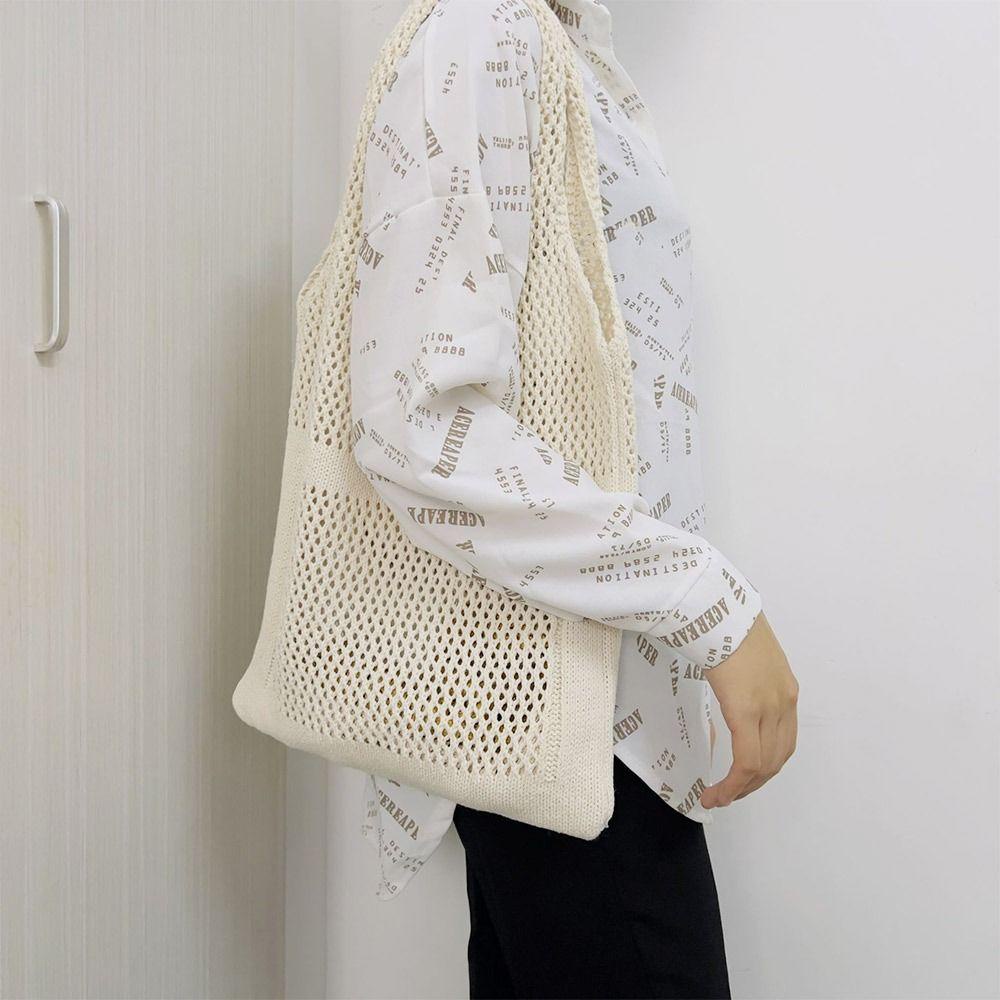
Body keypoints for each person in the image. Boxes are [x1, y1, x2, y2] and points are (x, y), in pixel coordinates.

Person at [345, 0, 800, 996]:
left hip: (585, 702)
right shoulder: (486, 34)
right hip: (566, 708)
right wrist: (706, 602)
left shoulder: (562, 50)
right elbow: (414, 419)